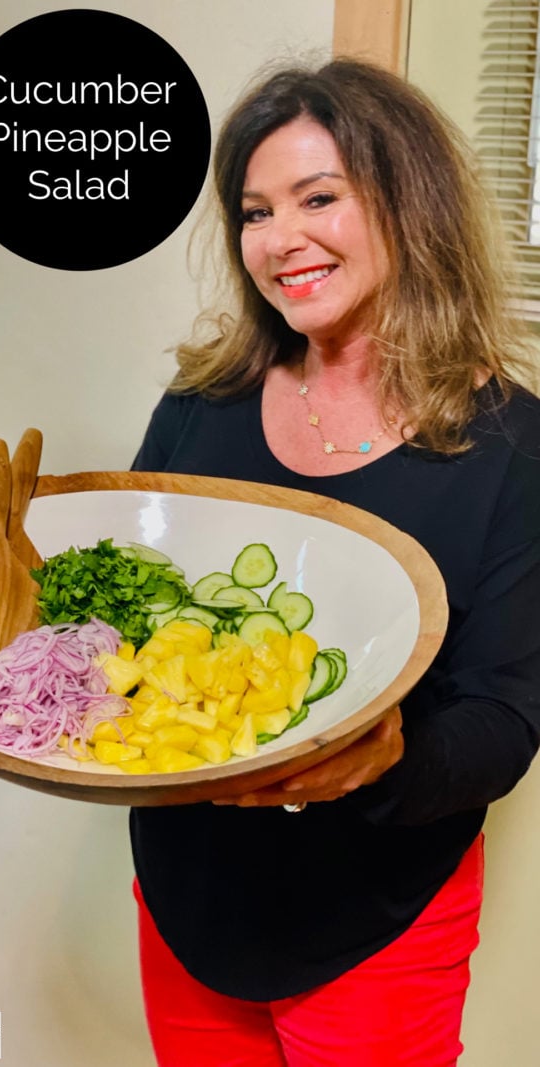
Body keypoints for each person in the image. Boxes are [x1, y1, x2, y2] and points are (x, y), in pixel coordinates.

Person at [129, 57, 540, 1066]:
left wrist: (388, 755)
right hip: (186, 896)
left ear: (410, 205)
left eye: (320, 198)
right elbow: (123, 607)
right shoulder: (200, 407)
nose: (282, 239)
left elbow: (507, 714)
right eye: (256, 210)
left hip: (379, 918)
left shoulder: (513, 445)